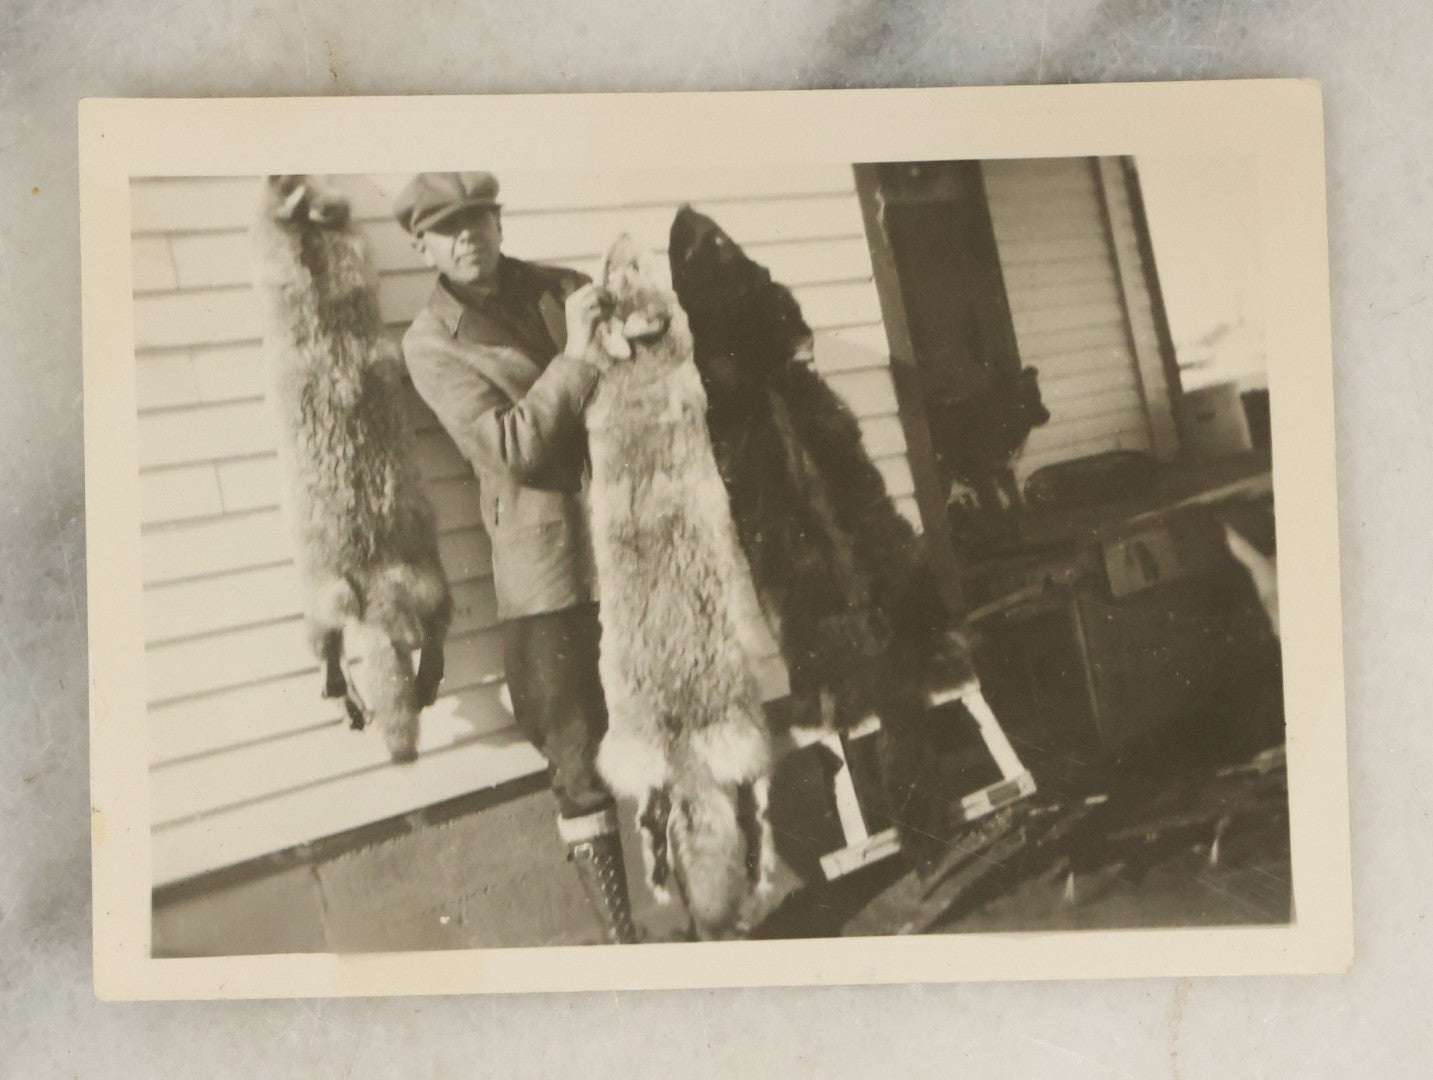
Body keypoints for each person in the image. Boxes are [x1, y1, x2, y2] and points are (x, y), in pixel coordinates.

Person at [394, 172, 637, 944]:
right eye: (447, 227)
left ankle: (699, 897)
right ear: (420, 244)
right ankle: (624, 942)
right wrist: (577, 356)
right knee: (573, 752)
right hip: (549, 573)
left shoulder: (566, 288)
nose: (468, 235)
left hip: (633, 547)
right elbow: (512, 447)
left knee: (667, 722)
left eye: (479, 218)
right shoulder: (429, 342)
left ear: (498, 222)